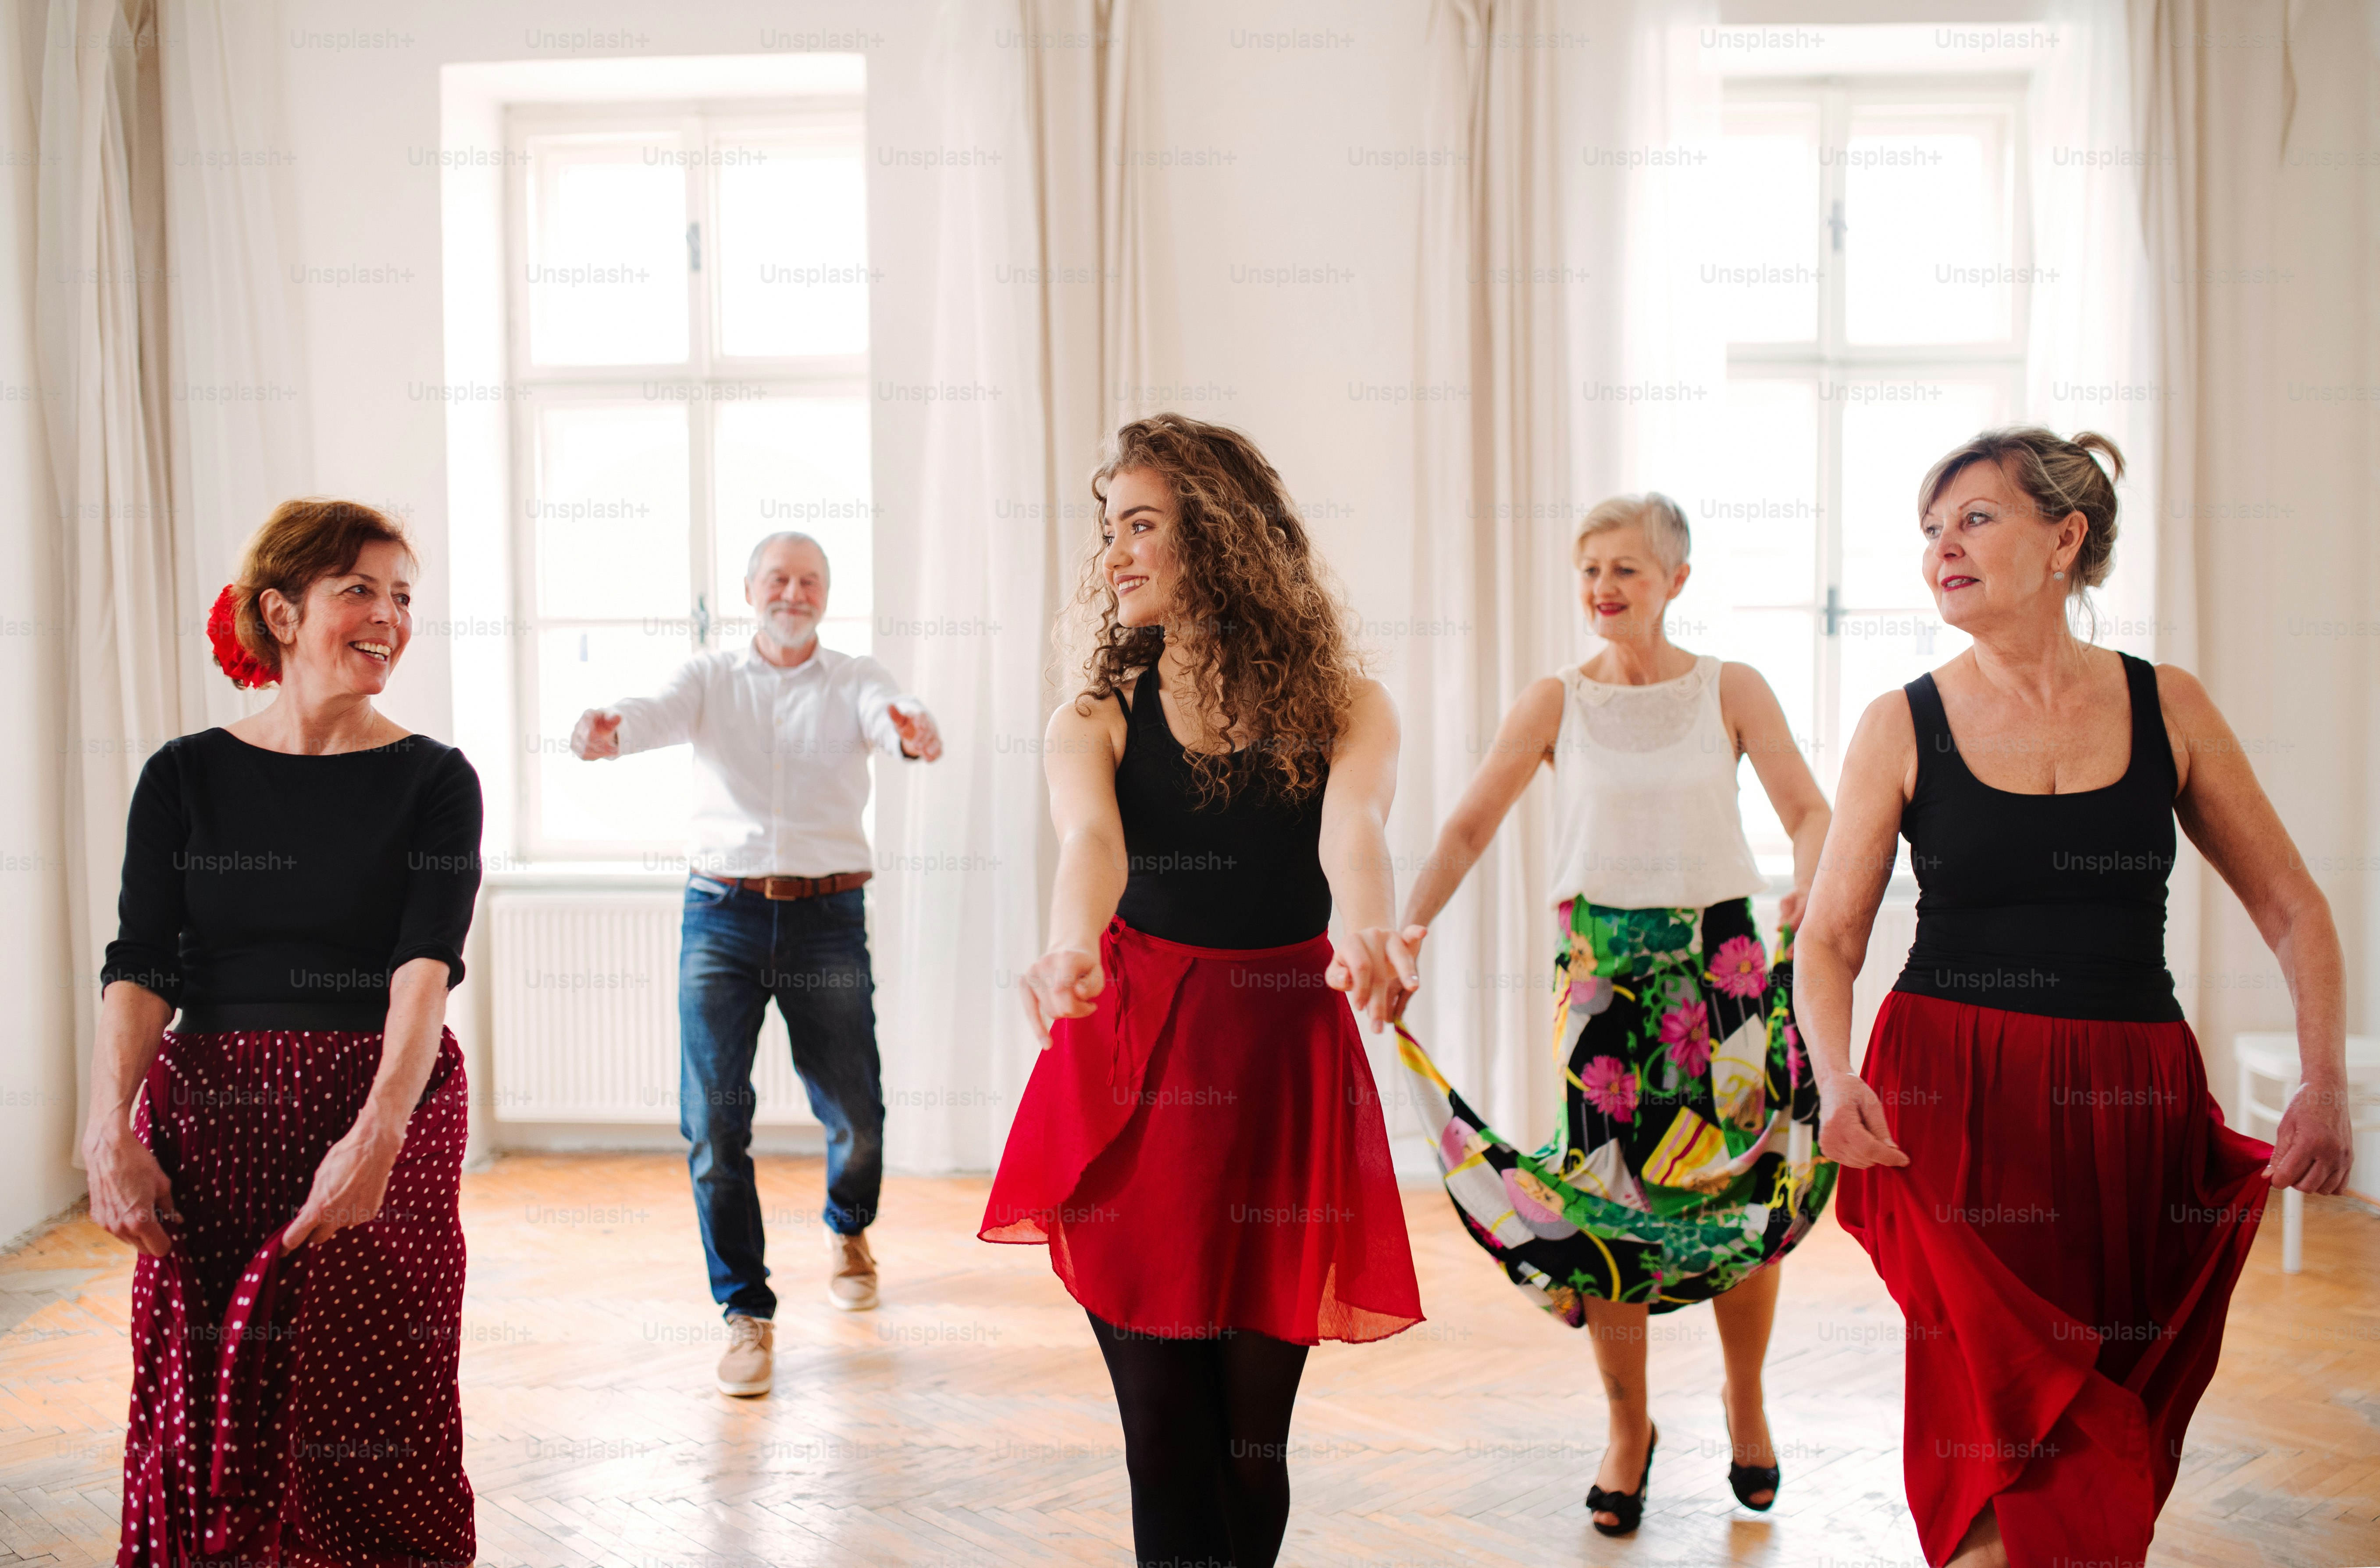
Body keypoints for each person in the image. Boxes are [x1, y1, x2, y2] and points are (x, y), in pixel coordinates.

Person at [1796, 428, 2354, 1567]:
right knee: (1992, 1416)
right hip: (1949, 1108)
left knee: (2104, 1402)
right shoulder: (1899, 722)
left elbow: (2293, 907)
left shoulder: (2169, 706)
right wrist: (1833, 1073)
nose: (1940, 549)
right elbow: (1829, 937)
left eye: (1973, 519)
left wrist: (2323, 1078)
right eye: (1928, 530)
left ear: (2064, 539)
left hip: (2126, 1106)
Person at [980, 414, 1423, 1568]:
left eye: (1142, 526)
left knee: (1250, 1448)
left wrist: (1370, 932)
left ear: (1220, 540)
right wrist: (1065, 945)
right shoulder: (1092, 718)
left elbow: (1355, 832)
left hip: (1282, 1068)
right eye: (1107, 528)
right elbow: (1090, 847)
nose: (1113, 553)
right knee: (1164, 1436)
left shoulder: (1347, 706)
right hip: (1139, 1068)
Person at [1393, 492, 1838, 1535]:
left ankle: (1745, 1403)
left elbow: (1811, 811)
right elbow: (1465, 825)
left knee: (1733, 1196)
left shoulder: (1731, 688)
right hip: (1596, 978)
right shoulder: (1555, 701)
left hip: (1720, 970)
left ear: (1675, 581)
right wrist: (1407, 929)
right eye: (1589, 568)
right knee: (1606, 1213)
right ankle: (1627, 1429)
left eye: (1625, 570)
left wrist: (1810, 891)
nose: (1602, 587)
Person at [85, 499, 483, 1567]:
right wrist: (104, 1132)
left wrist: (378, 1134)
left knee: (376, 1394)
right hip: (213, 1113)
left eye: (405, 598)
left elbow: (423, 969)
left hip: (381, 1102)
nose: (390, 619)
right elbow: (143, 963)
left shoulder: (436, 781)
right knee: (211, 1398)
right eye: (361, 589)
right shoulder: (183, 775)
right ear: (283, 610)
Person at [571, 531, 941, 1398]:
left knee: (855, 1107)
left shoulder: (854, 678)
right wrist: (604, 730)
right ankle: (746, 1313)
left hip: (826, 918)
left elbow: (894, 718)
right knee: (713, 1124)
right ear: (749, 591)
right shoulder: (708, 678)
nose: (794, 591)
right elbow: (649, 712)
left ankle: (848, 1227)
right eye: (778, 577)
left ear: (825, 596)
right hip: (722, 919)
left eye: (810, 580)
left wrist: (913, 730)